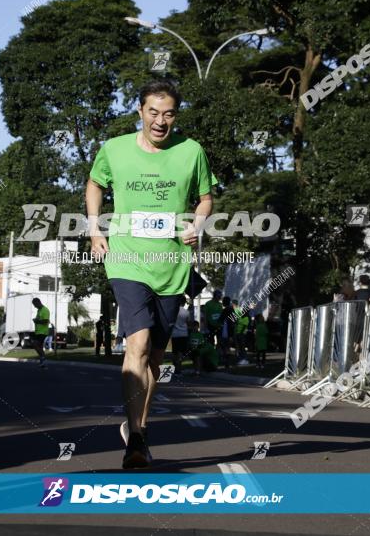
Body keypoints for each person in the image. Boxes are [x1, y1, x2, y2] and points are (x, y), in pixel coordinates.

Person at [86, 79, 213, 469]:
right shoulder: (114, 149)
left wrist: (198, 224)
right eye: (153, 112)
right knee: (136, 345)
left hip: (171, 265)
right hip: (126, 259)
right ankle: (136, 438)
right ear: (140, 111)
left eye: (169, 113)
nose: (161, 121)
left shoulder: (192, 152)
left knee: (156, 359)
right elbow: (95, 183)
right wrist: (94, 228)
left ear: (176, 115)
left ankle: (137, 428)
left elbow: (205, 198)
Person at [170, 299, 191, 374]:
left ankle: (174, 367)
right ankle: (179, 368)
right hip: (183, 333)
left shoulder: (173, 311)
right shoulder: (186, 312)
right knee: (181, 352)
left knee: (175, 352)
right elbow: (188, 323)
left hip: (175, 334)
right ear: (184, 302)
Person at [31, 298, 49, 367]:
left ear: (38, 302)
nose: (34, 306)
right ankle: (42, 362)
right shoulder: (39, 310)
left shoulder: (45, 310)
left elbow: (46, 321)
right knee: (40, 346)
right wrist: (36, 320)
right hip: (38, 332)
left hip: (43, 332)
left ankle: (43, 357)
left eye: (35, 305)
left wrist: (37, 321)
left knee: (35, 344)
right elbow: (39, 319)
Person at [233, 300, 250, 366]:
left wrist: (240, 333)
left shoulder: (246, 318)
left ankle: (244, 359)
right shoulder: (240, 315)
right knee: (239, 348)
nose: (243, 311)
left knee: (242, 347)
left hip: (241, 334)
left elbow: (244, 327)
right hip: (237, 333)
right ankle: (241, 359)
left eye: (244, 310)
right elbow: (236, 322)